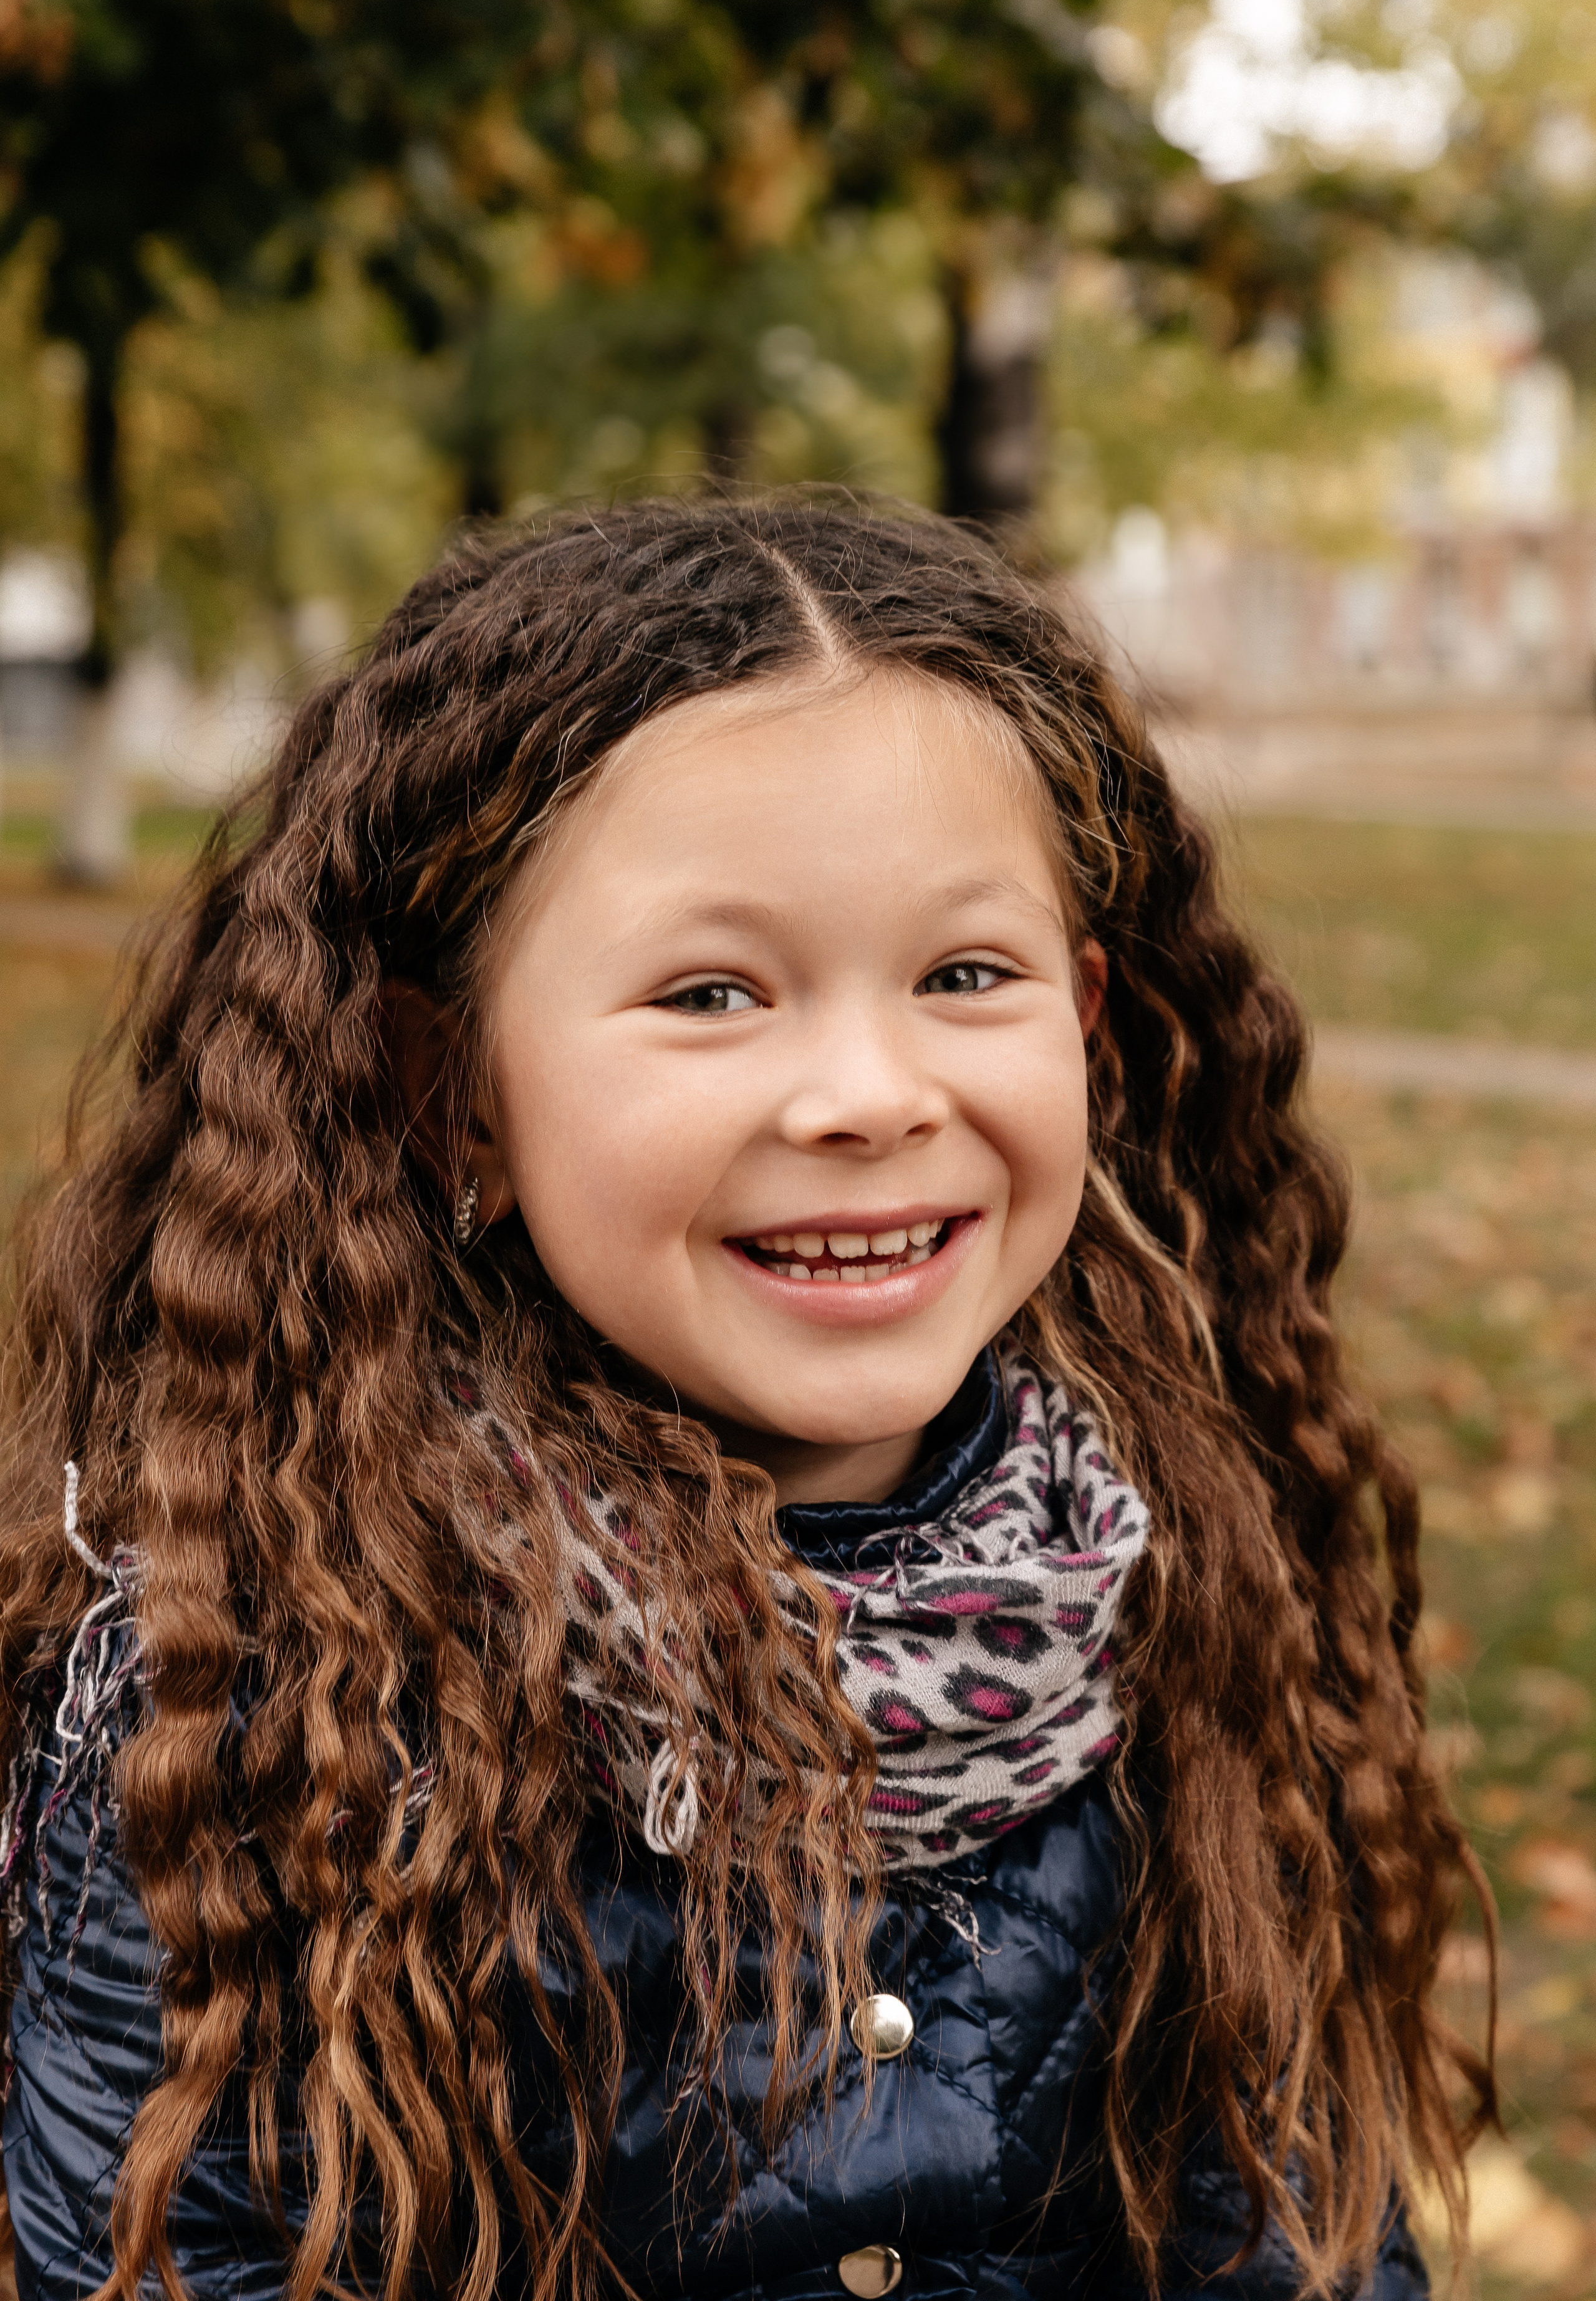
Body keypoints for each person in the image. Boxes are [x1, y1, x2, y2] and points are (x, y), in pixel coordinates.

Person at [0, 499, 1491, 2301]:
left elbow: (1300, 2241)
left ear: (1085, 1024)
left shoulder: (1183, 1588)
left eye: (964, 975)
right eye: (713, 993)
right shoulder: (251, 1696)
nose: (868, 1093)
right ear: (452, 1086)